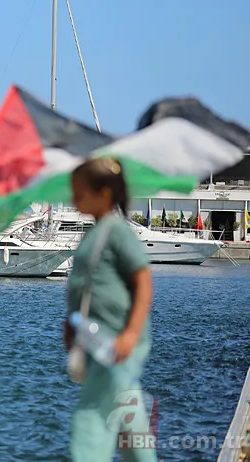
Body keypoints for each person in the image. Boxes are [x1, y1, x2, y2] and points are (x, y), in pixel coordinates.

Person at [64, 157, 156, 462]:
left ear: (103, 193)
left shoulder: (116, 231)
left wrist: (130, 334)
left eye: (79, 192)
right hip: (97, 341)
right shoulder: (95, 232)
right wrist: (71, 325)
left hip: (115, 342)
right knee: (127, 412)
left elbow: (143, 281)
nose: (73, 198)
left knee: (91, 418)